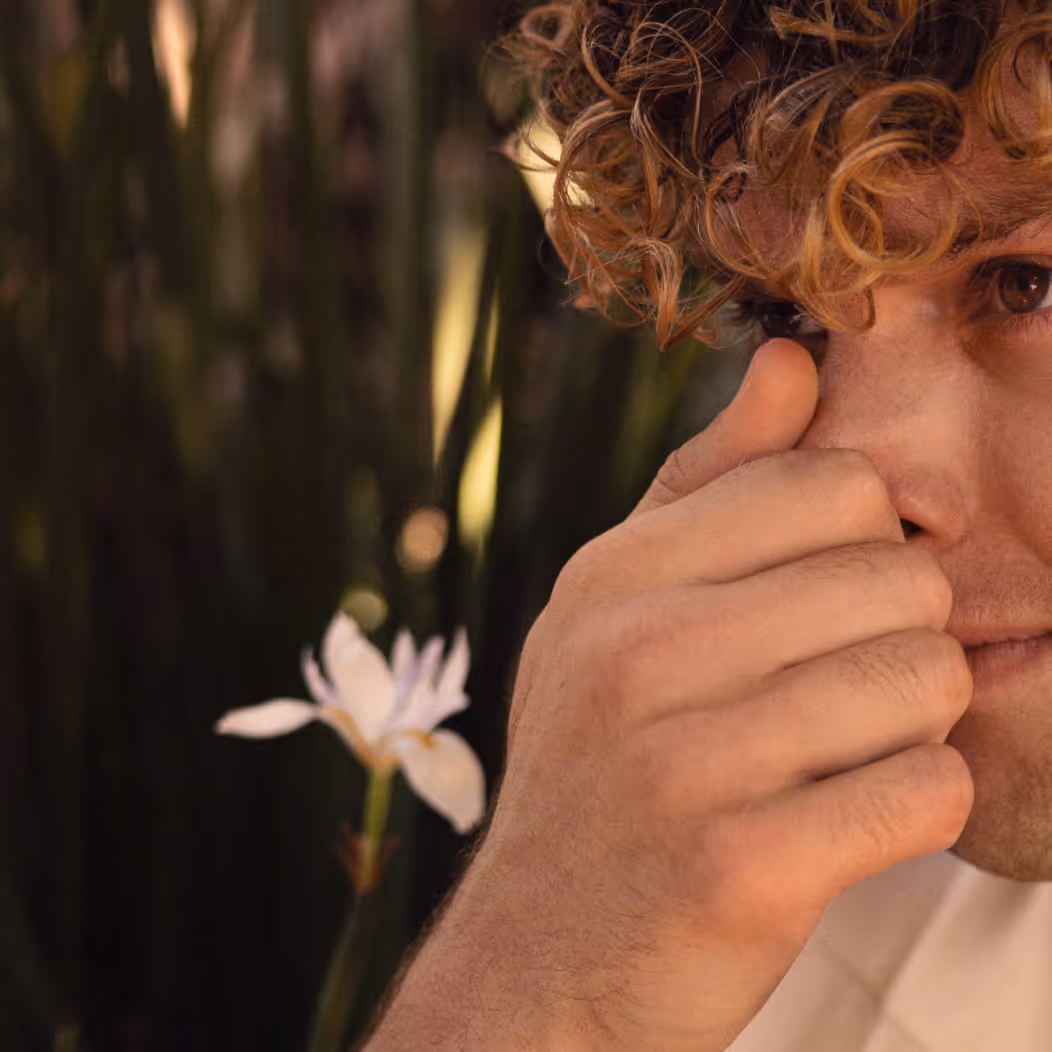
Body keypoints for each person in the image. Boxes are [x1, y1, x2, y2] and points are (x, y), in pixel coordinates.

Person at [366, 1, 1052, 1048]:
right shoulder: (744, 934)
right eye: (790, 318)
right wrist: (536, 989)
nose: (856, 485)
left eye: (1026, 285)